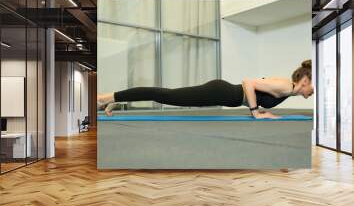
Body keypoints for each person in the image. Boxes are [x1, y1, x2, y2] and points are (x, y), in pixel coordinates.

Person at [97, 60, 313, 119]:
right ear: (305, 80)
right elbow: (248, 82)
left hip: (222, 93)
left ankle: (114, 99)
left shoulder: (288, 89)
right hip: (221, 92)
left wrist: (259, 108)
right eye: (313, 84)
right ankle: (109, 97)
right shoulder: (286, 86)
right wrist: (255, 112)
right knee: (164, 95)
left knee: (164, 94)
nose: (313, 90)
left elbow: (257, 90)